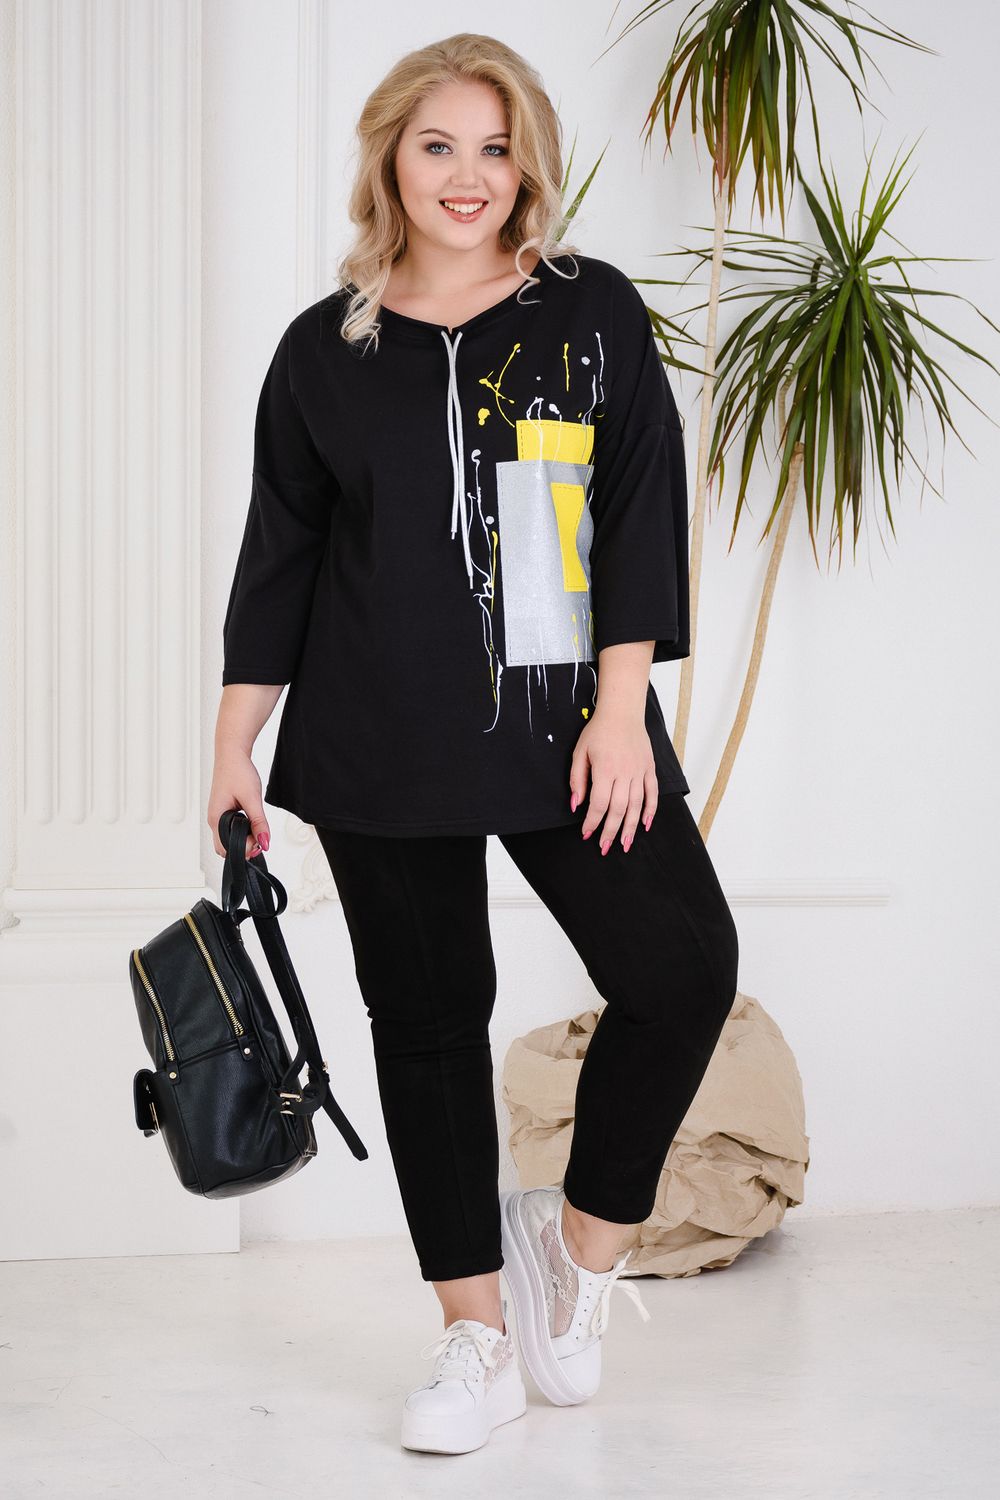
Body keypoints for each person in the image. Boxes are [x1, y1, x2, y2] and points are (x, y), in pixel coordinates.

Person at [208, 32, 739, 1457]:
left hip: (569, 726)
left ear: (528, 165)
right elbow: (279, 555)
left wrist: (623, 711)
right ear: (390, 157)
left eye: (494, 149)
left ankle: (575, 1255)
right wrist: (236, 746)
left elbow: (638, 508)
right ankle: (476, 1338)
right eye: (437, 145)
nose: (467, 176)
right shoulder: (323, 350)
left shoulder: (589, 311)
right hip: (377, 731)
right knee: (430, 1025)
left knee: (682, 971)